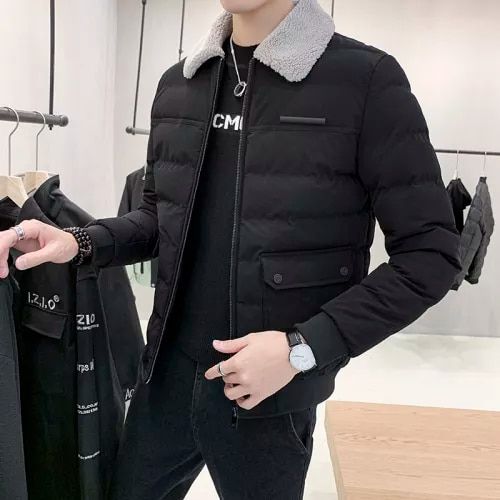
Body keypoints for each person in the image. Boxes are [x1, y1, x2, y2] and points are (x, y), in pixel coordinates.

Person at [0, 0, 461, 498]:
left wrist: (301, 349)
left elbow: (430, 257)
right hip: (166, 381)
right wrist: (79, 241)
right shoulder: (179, 84)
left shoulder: (365, 81)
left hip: (267, 397)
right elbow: (159, 220)